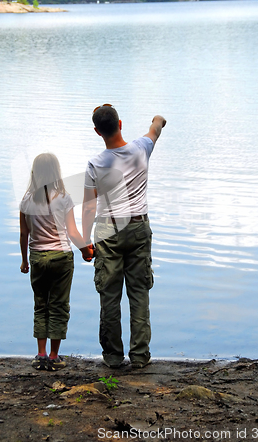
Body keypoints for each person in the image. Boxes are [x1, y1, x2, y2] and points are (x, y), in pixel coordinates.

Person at [82, 104, 166, 369]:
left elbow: (88, 206)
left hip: (108, 231)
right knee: (139, 293)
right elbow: (157, 126)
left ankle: (113, 357)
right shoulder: (142, 148)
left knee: (109, 296)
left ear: (97, 131)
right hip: (139, 228)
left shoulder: (96, 164)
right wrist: (157, 119)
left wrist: (85, 242)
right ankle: (140, 356)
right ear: (120, 124)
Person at [19, 153, 93, 371]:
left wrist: (25, 261)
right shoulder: (64, 198)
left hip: (37, 257)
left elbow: (24, 235)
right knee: (59, 305)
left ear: (35, 173)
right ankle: (53, 356)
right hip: (61, 257)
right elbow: (71, 232)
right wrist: (85, 250)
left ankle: (40, 355)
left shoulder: (26, 200)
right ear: (56, 173)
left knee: (41, 304)